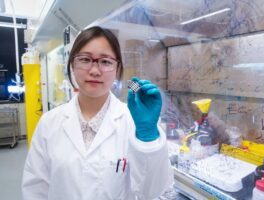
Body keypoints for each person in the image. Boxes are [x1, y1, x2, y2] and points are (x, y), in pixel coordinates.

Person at [22, 26, 173, 200]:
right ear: (72, 64)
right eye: (85, 60)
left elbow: (152, 192)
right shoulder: (49, 122)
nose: (94, 70)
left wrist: (148, 138)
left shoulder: (133, 123)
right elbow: (35, 189)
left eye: (106, 61)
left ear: (117, 69)